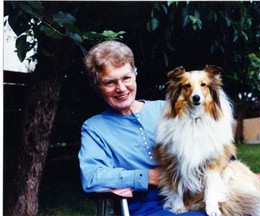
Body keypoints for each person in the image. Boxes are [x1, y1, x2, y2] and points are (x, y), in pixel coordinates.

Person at [78, 40, 207, 216]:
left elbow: (209, 144)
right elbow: (92, 177)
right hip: (147, 205)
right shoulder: (94, 128)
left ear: (135, 75)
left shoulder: (166, 108)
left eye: (126, 78)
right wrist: (147, 177)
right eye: (110, 82)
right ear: (97, 86)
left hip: (194, 196)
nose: (121, 88)